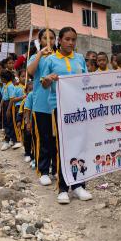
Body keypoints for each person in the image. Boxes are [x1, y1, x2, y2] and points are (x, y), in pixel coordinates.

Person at [40, 27, 93, 204]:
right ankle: (63, 188)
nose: (71, 43)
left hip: (78, 108)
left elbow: (86, 81)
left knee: (79, 145)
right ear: (59, 41)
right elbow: (44, 85)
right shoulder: (51, 60)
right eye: (67, 39)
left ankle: (79, 185)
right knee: (62, 146)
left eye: (73, 40)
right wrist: (48, 80)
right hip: (60, 107)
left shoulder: (79, 59)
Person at [24, 28, 58, 186]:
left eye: (52, 38)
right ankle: (43, 170)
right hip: (40, 104)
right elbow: (30, 72)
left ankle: (56, 169)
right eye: (45, 38)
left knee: (56, 139)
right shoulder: (34, 57)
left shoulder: (59, 57)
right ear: (40, 40)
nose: (49, 41)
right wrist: (39, 54)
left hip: (58, 104)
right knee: (43, 139)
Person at [0, 70, 18, 150]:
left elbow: (12, 98)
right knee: (6, 122)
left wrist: (8, 110)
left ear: (5, 78)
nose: (0, 79)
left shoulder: (10, 86)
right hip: (5, 104)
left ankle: (8, 140)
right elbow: (4, 97)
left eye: (1, 78)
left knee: (9, 123)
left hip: (9, 105)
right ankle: (10, 139)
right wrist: (0, 106)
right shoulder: (6, 85)